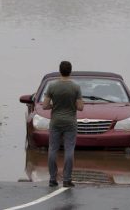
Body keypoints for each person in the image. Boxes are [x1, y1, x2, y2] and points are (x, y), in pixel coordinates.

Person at [42, 60, 84, 188]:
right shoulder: (76, 87)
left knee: (53, 149)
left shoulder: (52, 86)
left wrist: (54, 105)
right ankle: (67, 179)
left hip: (55, 122)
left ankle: (52, 179)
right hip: (70, 122)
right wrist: (72, 105)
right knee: (69, 149)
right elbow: (80, 107)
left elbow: (44, 106)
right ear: (70, 71)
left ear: (60, 71)